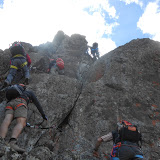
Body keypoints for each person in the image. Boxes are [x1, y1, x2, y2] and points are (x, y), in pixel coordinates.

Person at [0, 84, 48, 153]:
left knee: (7, 120)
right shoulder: (29, 92)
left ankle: (1, 140)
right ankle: (12, 143)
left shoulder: (13, 93)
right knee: (20, 122)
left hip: (9, 103)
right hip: (20, 103)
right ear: (23, 88)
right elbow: (38, 104)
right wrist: (44, 116)